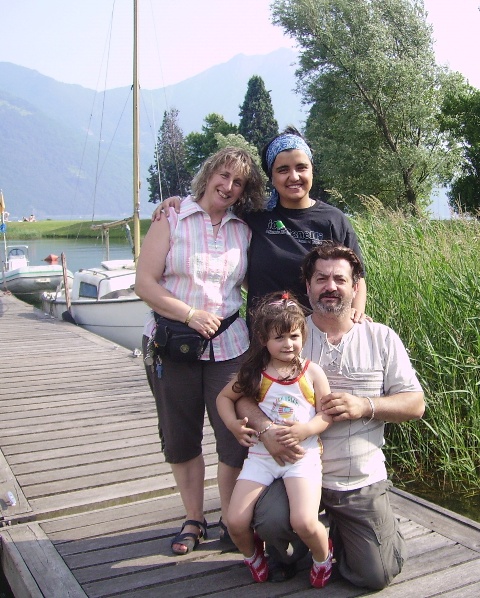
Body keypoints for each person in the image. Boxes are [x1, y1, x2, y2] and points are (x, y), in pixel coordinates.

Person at [236, 243, 425, 589]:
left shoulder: (381, 337)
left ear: (355, 287)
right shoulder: (287, 334)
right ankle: (304, 544)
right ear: (307, 286)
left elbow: (416, 404)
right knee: (271, 523)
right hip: (292, 471)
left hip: (357, 478)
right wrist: (264, 429)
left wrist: (365, 406)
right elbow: (242, 397)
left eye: (340, 279)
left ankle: (359, 530)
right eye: (321, 278)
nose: (330, 286)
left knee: (375, 575)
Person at [135, 147, 265, 556]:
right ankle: (194, 518)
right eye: (223, 175)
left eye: (238, 182)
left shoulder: (243, 229)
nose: (228, 186)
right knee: (180, 436)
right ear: (209, 174)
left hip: (230, 346)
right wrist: (189, 314)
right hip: (173, 343)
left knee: (234, 436)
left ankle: (231, 519)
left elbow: (252, 283)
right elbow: (144, 283)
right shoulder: (172, 218)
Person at [153, 126, 368, 322]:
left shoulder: (333, 220)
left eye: (301, 167)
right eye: (283, 170)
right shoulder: (253, 215)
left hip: (317, 335)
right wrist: (180, 202)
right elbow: (214, 204)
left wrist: (356, 315)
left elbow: (357, 277)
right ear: (271, 177)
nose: (294, 176)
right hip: (263, 339)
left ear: (312, 170)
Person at [217, 291, 334, 587]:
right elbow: (224, 398)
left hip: (302, 458)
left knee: (304, 521)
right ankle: (252, 555)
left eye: (294, 336)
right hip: (261, 458)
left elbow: (326, 415)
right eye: (279, 338)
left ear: (303, 335)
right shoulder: (255, 374)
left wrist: (305, 430)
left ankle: (323, 556)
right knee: (235, 521)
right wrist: (233, 425)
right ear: (263, 339)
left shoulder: (312, 373)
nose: (288, 344)